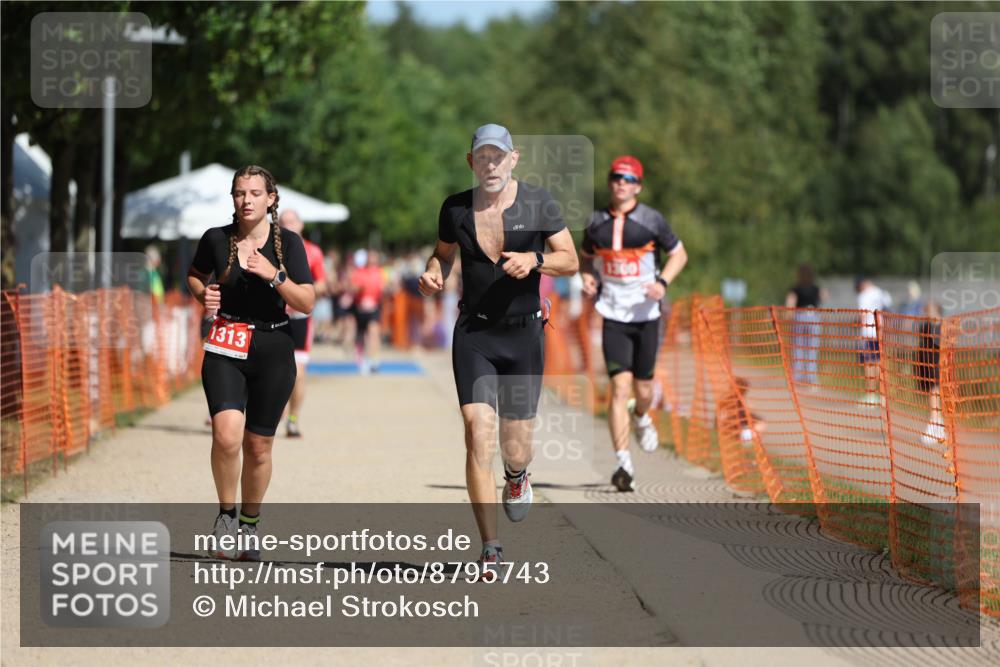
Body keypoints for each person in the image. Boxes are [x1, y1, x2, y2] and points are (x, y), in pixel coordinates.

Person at [418, 123, 579, 573]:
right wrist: (434, 273)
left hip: (523, 335)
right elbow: (442, 254)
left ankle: (517, 475)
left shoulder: (538, 202)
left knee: (515, 447)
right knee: (476, 434)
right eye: (482, 157)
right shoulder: (454, 208)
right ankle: (490, 546)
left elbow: (571, 258)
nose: (490, 164)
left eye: (498, 156)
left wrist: (537, 259)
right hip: (474, 333)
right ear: (471, 162)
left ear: (514, 158)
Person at [187, 165, 315, 561]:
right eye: (240, 193)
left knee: (258, 447)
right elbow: (194, 276)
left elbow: (307, 302)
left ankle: (249, 525)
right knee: (226, 436)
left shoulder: (288, 245)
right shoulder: (215, 239)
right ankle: (226, 517)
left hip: (274, 345)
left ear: (271, 199)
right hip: (226, 342)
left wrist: (274, 275)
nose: (247, 200)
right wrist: (203, 294)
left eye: (255, 193)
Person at [579, 155, 688, 492]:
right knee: (618, 388)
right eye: (616, 177)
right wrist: (586, 277)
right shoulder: (595, 222)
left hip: (646, 316)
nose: (621, 183)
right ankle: (623, 463)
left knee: (643, 389)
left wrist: (663, 283)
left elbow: (680, 254)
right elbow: (585, 256)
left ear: (638, 186)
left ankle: (642, 416)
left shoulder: (651, 220)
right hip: (613, 315)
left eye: (628, 179)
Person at [278, 210, 327, 437]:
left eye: (291, 222)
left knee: (297, 370)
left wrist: (298, 293)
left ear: (301, 225)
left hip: (299, 317)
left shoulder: (313, 252)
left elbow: (322, 285)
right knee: (272, 370)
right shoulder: (270, 247)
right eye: (283, 222)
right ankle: (269, 416)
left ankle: (293, 418)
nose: (288, 226)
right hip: (273, 316)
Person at [784, 264, 825, 390]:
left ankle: (797, 378)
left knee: (798, 347)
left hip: (800, 316)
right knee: (812, 348)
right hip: (813, 315)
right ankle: (811, 379)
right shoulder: (815, 288)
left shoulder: (796, 288)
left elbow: (790, 303)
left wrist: (788, 315)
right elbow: (824, 296)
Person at [856, 276, 892, 407]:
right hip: (880, 331)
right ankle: (881, 395)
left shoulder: (864, 295)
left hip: (868, 333)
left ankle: (871, 394)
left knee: (868, 363)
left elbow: (862, 315)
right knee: (878, 363)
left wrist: (858, 328)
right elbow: (888, 308)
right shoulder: (881, 293)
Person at [349, 248, 386, 375]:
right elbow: (352, 288)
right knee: (361, 336)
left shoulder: (380, 273)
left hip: (374, 309)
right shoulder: (359, 272)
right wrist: (359, 288)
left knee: (373, 333)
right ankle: (362, 360)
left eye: (374, 257)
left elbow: (384, 288)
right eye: (370, 257)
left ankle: (373, 360)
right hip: (360, 309)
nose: (372, 259)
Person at [915, 301, 945, 446]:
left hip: (936, 364)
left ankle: (934, 425)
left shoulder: (941, 326)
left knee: (935, 394)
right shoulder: (926, 325)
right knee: (932, 394)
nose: (926, 314)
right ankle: (938, 426)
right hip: (926, 363)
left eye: (929, 311)